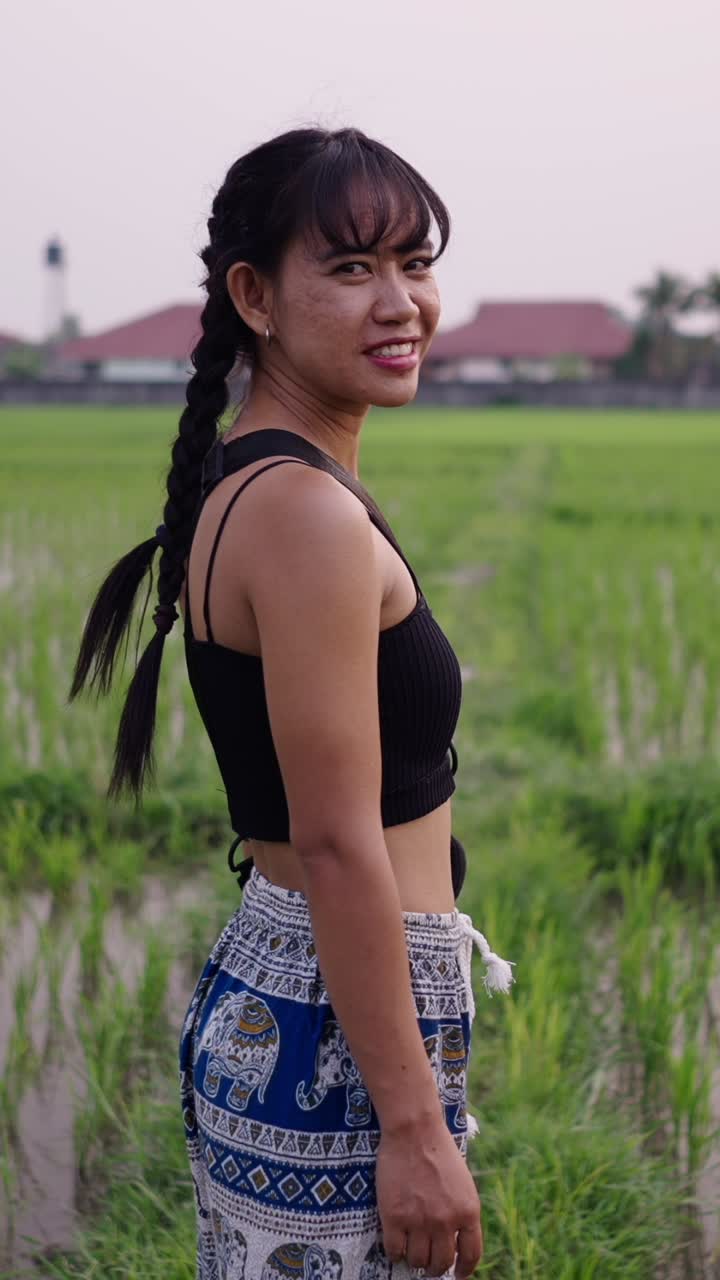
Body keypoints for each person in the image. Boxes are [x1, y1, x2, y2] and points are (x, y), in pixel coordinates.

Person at [69, 126, 515, 1280]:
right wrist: (415, 1126)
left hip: (301, 991)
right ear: (255, 296)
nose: (401, 302)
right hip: (334, 1021)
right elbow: (333, 840)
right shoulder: (307, 515)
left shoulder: (256, 478)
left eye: (415, 262)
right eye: (353, 267)